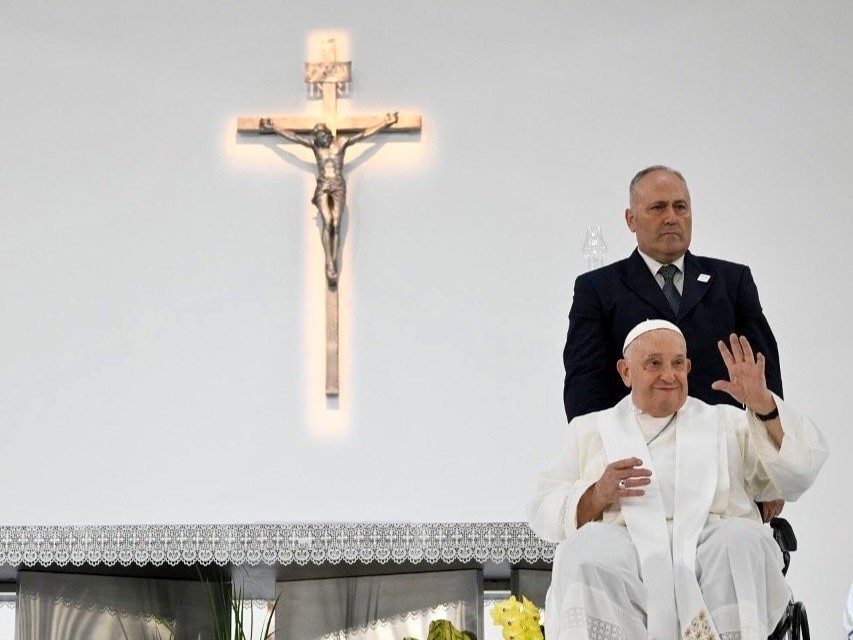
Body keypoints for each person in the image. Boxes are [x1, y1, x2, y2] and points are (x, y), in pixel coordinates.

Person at [529, 319, 827, 640]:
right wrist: (596, 494)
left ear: (688, 368)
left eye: (677, 364)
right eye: (654, 363)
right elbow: (542, 509)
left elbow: (797, 473)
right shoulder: (589, 431)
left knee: (740, 542)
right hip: (624, 550)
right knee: (583, 553)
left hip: (710, 546)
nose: (669, 375)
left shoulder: (725, 422)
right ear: (625, 372)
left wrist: (763, 405)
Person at [562, 165, 783, 421]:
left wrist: (769, 430)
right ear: (630, 219)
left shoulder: (732, 281)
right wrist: (600, 455)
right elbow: (585, 386)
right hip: (637, 450)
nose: (671, 217)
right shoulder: (597, 289)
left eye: (680, 207)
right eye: (658, 207)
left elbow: (766, 378)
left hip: (721, 448)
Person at [259, 112, 399, 287]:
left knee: (336, 224)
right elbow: (294, 138)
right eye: (316, 137)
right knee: (327, 220)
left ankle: (333, 258)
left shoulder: (341, 144)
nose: (319, 140)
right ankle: (329, 262)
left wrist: (386, 122)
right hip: (323, 186)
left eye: (321, 136)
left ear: (328, 134)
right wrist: (274, 128)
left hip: (338, 186)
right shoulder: (316, 147)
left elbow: (364, 134)